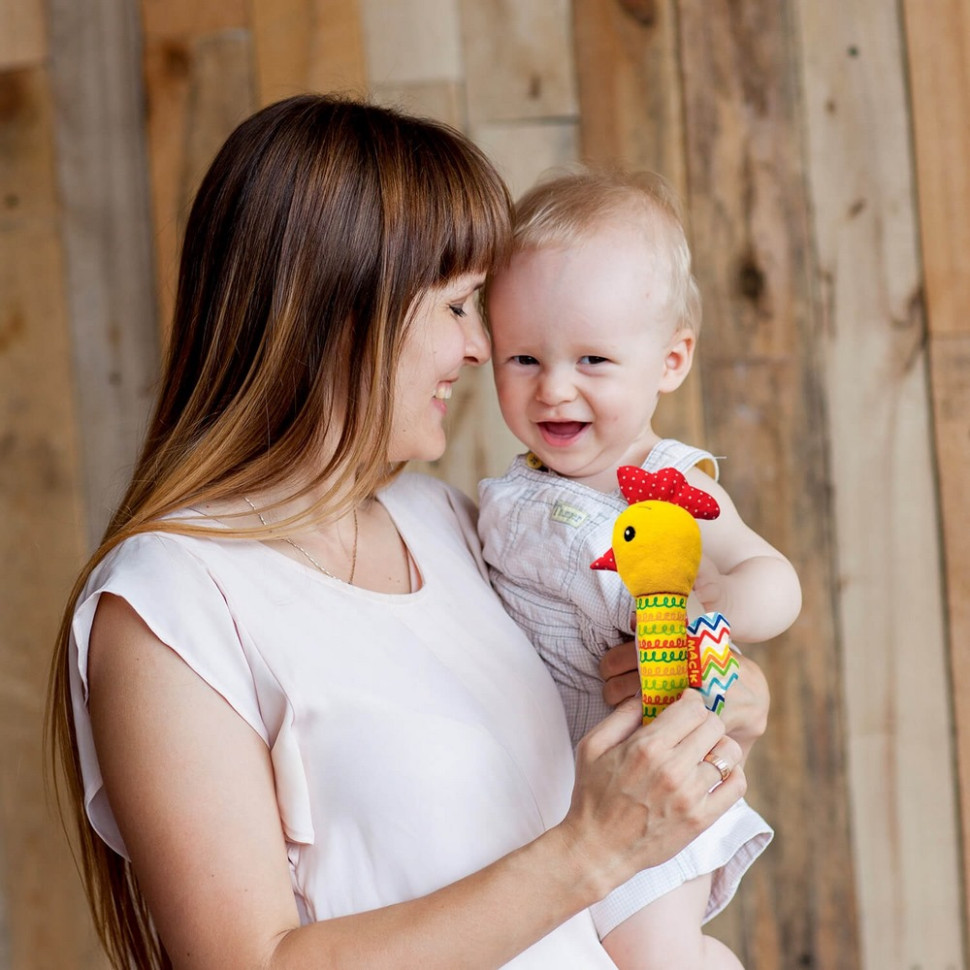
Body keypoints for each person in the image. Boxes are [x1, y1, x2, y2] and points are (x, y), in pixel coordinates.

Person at [46, 96, 767, 970]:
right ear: (343, 308)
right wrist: (592, 850)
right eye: (460, 307)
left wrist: (724, 697)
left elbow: (631, 678)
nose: (479, 350)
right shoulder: (167, 603)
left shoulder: (455, 525)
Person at [478, 169, 802, 969]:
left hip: (650, 774)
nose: (554, 389)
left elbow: (772, 575)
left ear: (671, 360)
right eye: (523, 358)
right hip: (550, 799)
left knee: (654, 958)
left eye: (592, 359)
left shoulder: (672, 486)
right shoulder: (515, 493)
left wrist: (721, 605)